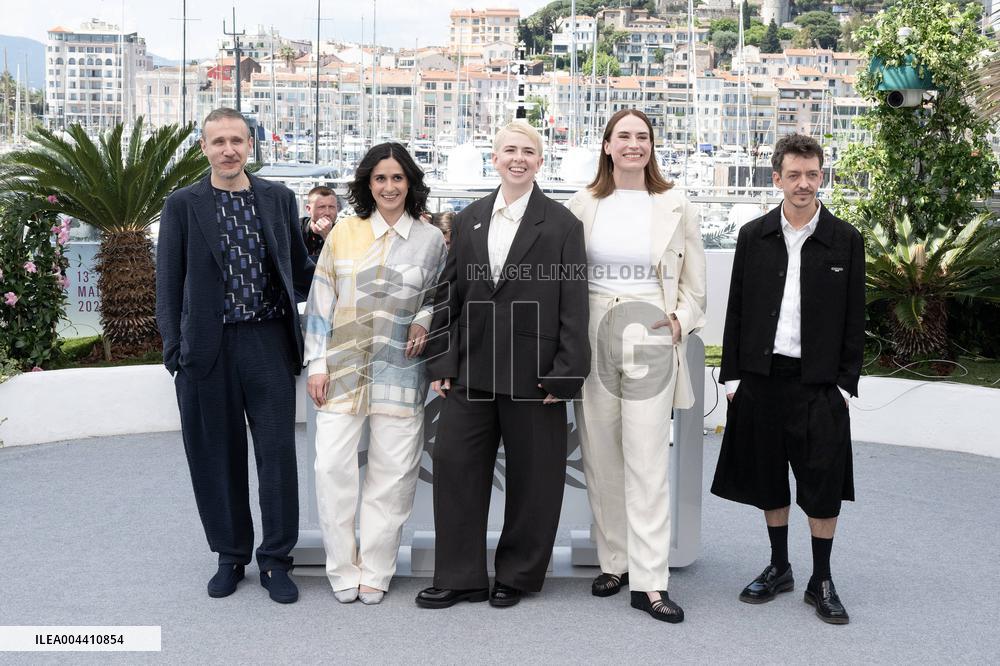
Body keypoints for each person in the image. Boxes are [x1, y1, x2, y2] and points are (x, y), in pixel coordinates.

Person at [415, 120, 590, 609]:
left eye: (528, 151)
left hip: (536, 374)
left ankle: (518, 574)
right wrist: (442, 361)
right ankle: (459, 576)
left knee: (536, 480)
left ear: (540, 161)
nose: (518, 158)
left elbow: (575, 305)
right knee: (454, 468)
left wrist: (567, 372)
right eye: (509, 150)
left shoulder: (562, 225)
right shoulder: (468, 217)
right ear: (495, 158)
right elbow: (447, 294)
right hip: (471, 369)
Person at [156, 107, 314, 604]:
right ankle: (230, 556)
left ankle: (276, 561)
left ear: (251, 146)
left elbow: (300, 270)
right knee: (215, 455)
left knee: (276, 457)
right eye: (218, 141)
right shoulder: (182, 204)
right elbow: (168, 282)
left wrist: (343, 260)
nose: (228, 149)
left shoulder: (278, 199)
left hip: (268, 341)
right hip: (207, 349)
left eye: (237, 141)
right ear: (203, 148)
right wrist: (174, 350)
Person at [711, 133, 865, 625]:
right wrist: (732, 379)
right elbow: (735, 309)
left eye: (812, 174)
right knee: (768, 478)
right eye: (794, 175)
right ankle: (780, 566)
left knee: (822, 483)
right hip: (761, 379)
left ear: (822, 177)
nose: (804, 184)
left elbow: (854, 317)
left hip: (819, 384)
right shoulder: (753, 236)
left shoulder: (845, 240)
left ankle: (821, 579)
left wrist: (843, 385)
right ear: (776, 178)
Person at [566, 109, 706, 624]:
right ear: (606, 146)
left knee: (647, 461)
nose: (633, 145)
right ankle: (615, 561)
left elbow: (696, 285)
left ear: (652, 146)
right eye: (623, 136)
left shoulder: (675, 204)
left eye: (642, 137)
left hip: (648, 334)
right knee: (601, 457)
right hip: (593, 335)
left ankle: (650, 581)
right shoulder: (582, 204)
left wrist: (677, 322)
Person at [303, 143, 447, 605]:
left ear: (411, 184)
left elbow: (439, 297)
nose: (389, 187)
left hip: (402, 371)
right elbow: (321, 304)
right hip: (341, 370)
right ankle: (342, 568)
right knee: (332, 470)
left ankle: (378, 568)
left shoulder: (431, 241)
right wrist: (317, 364)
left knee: (394, 473)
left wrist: (424, 320)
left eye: (397, 178)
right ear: (368, 183)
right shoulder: (343, 234)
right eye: (380, 178)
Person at [301, 185, 339, 261]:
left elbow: (343, 264)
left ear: (337, 208)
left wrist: (327, 236)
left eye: (331, 207)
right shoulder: (296, 229)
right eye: (321, 207)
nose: (327, 213)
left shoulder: (344, 231)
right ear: (308, 209)